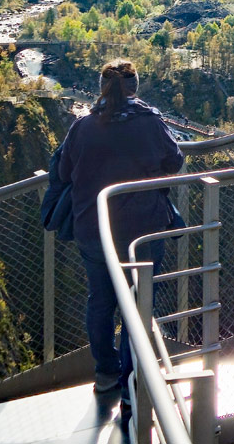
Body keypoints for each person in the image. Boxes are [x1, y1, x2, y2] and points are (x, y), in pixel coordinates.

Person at [51, 59, 184, 394]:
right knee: (138, 306)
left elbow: (65, 173)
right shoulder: (149, 122)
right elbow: (174, 160)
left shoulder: (83, 126)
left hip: (94, 229)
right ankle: (132, 380)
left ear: (101, 88)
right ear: (135, 87)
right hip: (143, 230)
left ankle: (105, 373)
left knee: (101, 301)